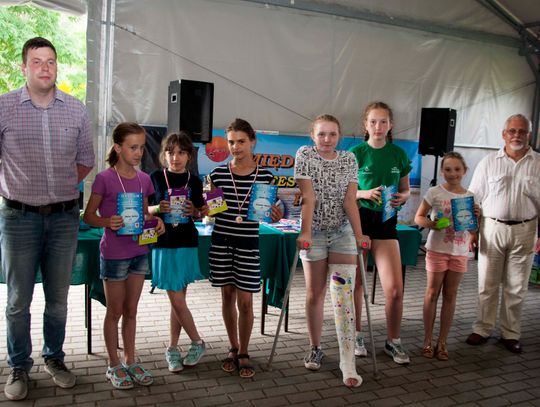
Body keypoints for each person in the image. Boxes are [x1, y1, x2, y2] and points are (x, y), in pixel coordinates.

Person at [0, 37, 94, 401]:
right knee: (17, 301)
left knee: (58, 299)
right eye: (37, 61)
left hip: (64, 219)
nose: (45, 68)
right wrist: (17, 186)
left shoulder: (76, 109)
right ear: (23, 67)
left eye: (50, 61)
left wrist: (59, 189)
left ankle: (54, 357)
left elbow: (85, 160)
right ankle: (18, 366)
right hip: (18, 217)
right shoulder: (4, 107)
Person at [83, 122, 164, 389]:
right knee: (115, 311)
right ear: (118, 148)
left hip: (139, 252)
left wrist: (156, 222)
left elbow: (144, 214)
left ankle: (131, 360)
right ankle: (113, 364)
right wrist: (107, 221)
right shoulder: (104, 178)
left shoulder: (144, 180)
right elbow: (89, 216)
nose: (139, 153)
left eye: (141, 147)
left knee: (131, 310)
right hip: (114, 255)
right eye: (133, 147)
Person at [295, 114, 371, 388]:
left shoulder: (349, 159)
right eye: (321, 134)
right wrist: (305, 232)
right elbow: (308, 196)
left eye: (332, 134)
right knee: (315, 293)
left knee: (343, 295)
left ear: (340, 136)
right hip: (314, 231)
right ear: (312, 136)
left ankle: (347, 361)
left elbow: (350, 199)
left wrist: (359, 234)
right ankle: (315, 347)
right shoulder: (305, 154)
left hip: (342, 233)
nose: (327, 139)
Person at [208, 118, 282, 379]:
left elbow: (270, 213)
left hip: (249, 244)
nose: (236, 147)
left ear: (252, 141)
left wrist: (274, 216)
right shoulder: (216, 175)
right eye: (231, 142)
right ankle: (233, 346)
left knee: (246, 301)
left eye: (241, 141)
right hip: (221, 243)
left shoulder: (265, 177)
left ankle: (244, 351)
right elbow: (211, 212)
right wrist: (206, 208)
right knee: (227, 296)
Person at [466, 113, 540, 353]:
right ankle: (482, 329)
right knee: (487, 283)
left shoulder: (538, 163)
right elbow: (473, 198)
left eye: (522, 131)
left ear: (529, 135)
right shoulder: (488, 162)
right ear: (504, 134)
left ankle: (510, 333)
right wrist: (472, 232)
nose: (517, 135)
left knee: (517, 286)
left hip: (526, 230)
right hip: (491, 229)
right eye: (512, 131)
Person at [349, 101, 412, 365]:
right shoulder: (355, 153)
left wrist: (403, 197)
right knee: (357, 285)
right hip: (360, 222)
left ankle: (393, 341)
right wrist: (364, 193)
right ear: (365, 124)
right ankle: (355, 335)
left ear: (390, 125)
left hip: (387, 223)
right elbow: (345, 191)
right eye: (373, 121)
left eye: (383, 121)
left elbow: (406, 189)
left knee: (395, 290)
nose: (378, 126)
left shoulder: (398, 154)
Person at [149, 132, 207, 372]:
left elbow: (202, 212)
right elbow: (145, 208)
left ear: (188, 156)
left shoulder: (195, 181)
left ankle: (172, 348)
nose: (175, 157)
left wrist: (195, 211)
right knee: (177, 299)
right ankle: (197, 341)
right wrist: (156, 208)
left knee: (178, 300)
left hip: (186, 242)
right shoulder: (155, 177)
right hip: (163, 242)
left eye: (181, 152)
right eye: (170, 152)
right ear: (164, 155)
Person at [414, 152, 478, 360]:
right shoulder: (434, 192)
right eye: (448, 169)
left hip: (459, 253)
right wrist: (432, 224)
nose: (453, 173)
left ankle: (442, 342)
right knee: (432, 293)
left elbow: (473, 229)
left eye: (457, 169)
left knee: (450, 296)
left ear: (464, 171)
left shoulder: (470, 197)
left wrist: (476, 218)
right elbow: (418, 217)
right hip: (436, 250)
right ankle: (427, 340)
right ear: (442, 172)